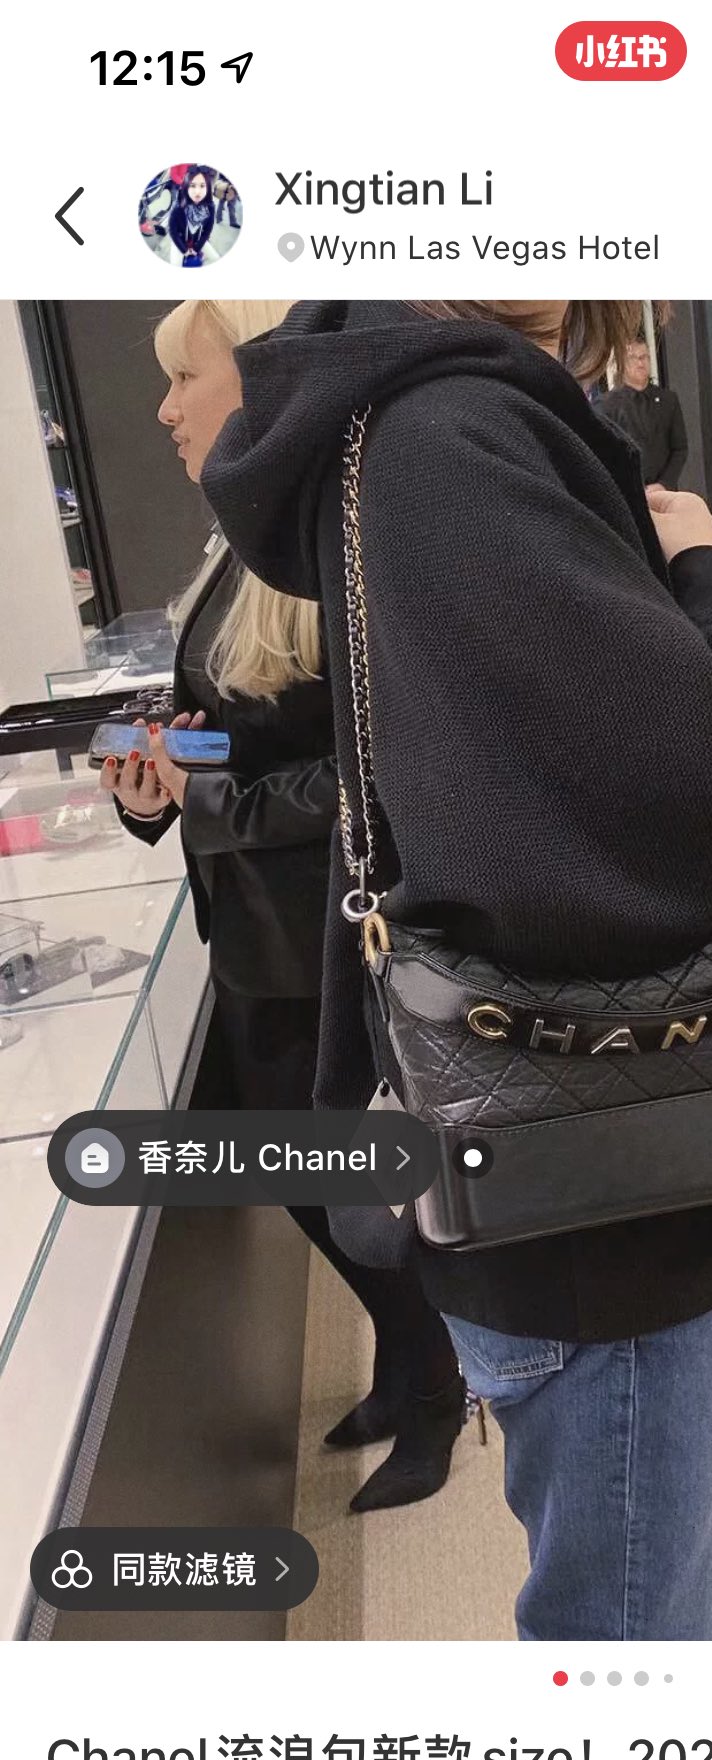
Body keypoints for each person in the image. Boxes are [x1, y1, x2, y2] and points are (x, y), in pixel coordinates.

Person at [205, 298, 712, 1641]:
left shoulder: (393, 432)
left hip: (551, 1146)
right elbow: (707, 796)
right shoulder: (458, 437)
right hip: (613, 1190)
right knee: (633, 1642)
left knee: (615, 1603)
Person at [101, 295, 465, 1512]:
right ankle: (415, 1368)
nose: (165, 409)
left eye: (185, 378)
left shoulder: (335, 548)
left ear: (262, 376)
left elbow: (376, 766)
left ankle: (434, 1381)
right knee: (306, 1180)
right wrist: (161, 781)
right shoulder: (241, 543)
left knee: (340, 1181)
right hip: (260, 930)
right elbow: (252, 738)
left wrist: (207, 800)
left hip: (328, 934)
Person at [593, 329, 688, 485]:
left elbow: (680, 448)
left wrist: (664, 484)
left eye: (644, 357)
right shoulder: (605, 406)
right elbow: (603, 454)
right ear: (621, 363)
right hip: (627, 490)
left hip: (664, 490)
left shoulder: (668, 400)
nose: (640, 363)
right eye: (633, 358)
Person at [168, 172, 217, 269]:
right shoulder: (178, 207)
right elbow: (172, 231)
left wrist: (197, 248)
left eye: (202, 186)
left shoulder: (210, 207)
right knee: (175, 264)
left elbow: (207, 231)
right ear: (186, 187)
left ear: (208, 188)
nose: (197, 192)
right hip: (180, 240)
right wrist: (184, 250)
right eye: (192, 186)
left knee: (216, 258)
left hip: (198, 240)